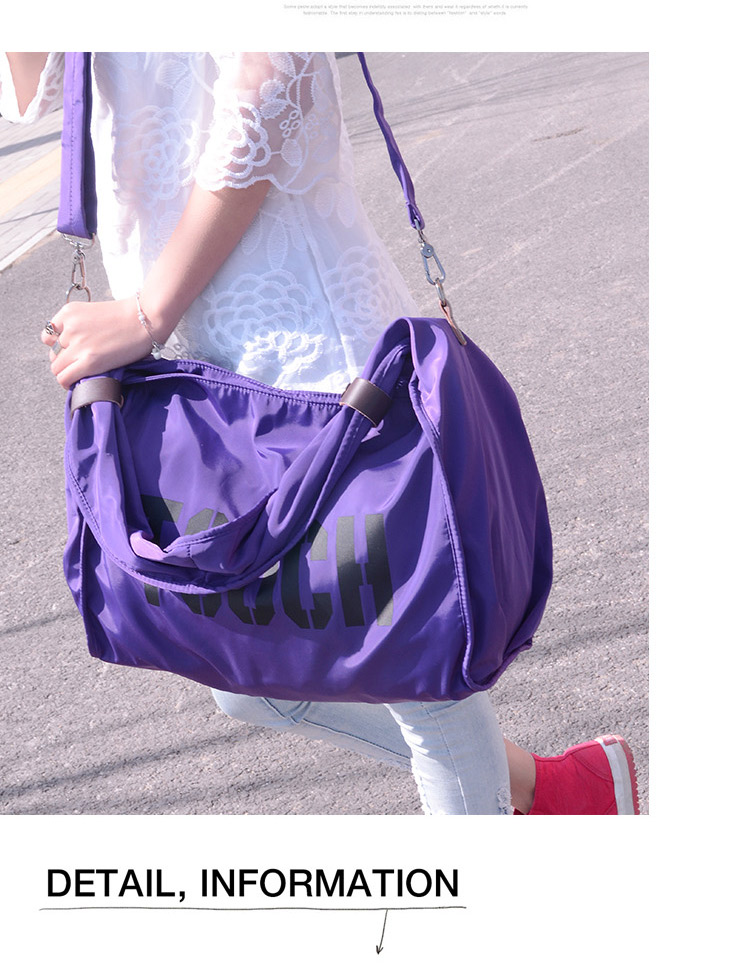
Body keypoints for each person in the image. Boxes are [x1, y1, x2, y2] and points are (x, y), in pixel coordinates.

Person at [1, 51, 640, 815]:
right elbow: (41, 83)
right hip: (191, 361)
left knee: (418, 674)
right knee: (246, 679)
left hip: (307, 345)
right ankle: (561, 791)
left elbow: (275, 77)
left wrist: (147, 311)